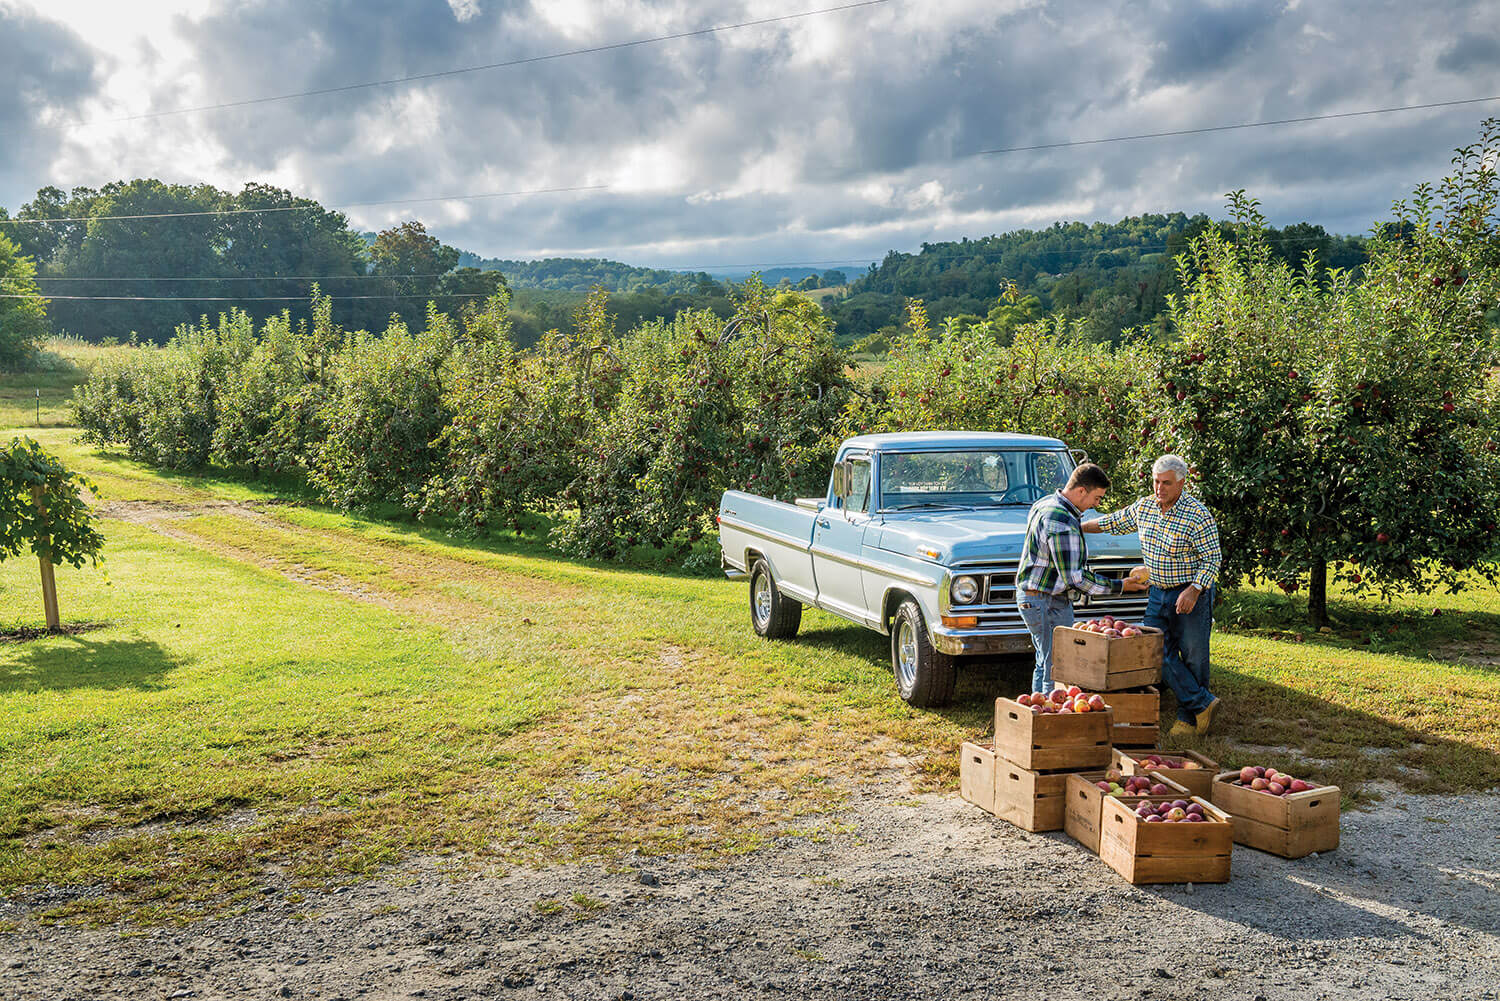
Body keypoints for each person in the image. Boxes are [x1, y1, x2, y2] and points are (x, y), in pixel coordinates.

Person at [1084, 454, 1222, 736]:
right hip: (1158, 593)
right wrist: (1074, 525)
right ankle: (1202, 703)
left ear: (1182, 483)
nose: (1160, 488)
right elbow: (1112, 522)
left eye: (1167, 483)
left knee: (1194, 656)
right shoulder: (1145, 507)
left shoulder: (1197, 514)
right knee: (1153, 650)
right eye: (1156, 482)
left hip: (1189, 593)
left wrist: (1194, 590)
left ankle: (1188, 719)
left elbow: (1212, 559)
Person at [1016, 462, 1148, 694]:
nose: (1097, 504)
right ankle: (1050, 720)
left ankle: (1039, 713)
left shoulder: (1046, 503)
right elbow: (1075, 579)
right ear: (1081, 491)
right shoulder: (1061, 520)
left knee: (1046, 661)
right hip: (1044, 601)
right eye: (1097, 498)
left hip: (1045, 597)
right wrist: (1120, 586)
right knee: (1056, 666)